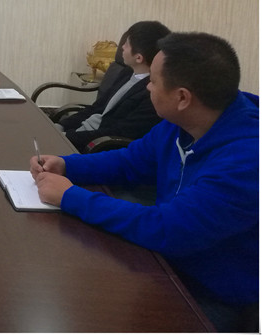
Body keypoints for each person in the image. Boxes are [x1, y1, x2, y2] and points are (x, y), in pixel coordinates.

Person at [32, 32, 258, 332]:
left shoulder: (246, 160)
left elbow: (170, 229)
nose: (147, 87)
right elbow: (130, 161)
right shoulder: (183, 123)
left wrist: (70, 196)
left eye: (152, 80)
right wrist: (68, 165)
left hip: (210, 294)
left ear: (182, 98)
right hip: (164, 263)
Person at [58, 21, 171, 152]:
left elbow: (117, 133)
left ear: (139, 58)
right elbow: (97, 107)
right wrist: (61, 126)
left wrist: (66, 137)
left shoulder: (152, 94)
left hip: (97, 146)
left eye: (126, 44)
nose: (122, 47)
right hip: (82, 132)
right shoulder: (127, 73)